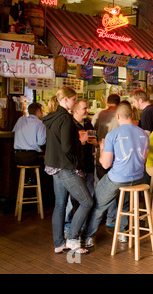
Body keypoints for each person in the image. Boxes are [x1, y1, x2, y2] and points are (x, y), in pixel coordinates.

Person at [83, 101, 149, 248]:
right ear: (131, 115)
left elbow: (105, 164)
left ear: (117, 116)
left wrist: (101, 148)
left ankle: (89, 236)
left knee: (98, 204)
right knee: (124, 203)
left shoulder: (112, 134)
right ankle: (123, 233)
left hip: (118, 178)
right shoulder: (143, 134)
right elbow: (143, 159)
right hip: (137, 178)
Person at [42, 86, 93, 255]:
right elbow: (67, 147)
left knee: (60, 204)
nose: (75, 102)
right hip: (65, 166)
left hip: (53, 165)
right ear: (65, 100)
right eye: (73, 99)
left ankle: (58, 243)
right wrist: (81, 140)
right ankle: (72, 239)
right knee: (87, 202)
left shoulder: (52, 117)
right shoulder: (65, 118)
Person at [64, 98, 96, 236]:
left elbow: (92, 141)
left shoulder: (88, 123)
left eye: (87, 108)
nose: (87, 111)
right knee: (71, 199)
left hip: (88, 165)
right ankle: (67, 228)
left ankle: (83, 227)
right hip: (75, 167)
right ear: (75, 110)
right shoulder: (70, 124)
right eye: (85, 108)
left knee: (89, 197)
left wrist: (95, 143)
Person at [92, 94, 121, 227]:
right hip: (116, 156)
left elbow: (91, 132)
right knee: (113, 187)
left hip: (101, 153)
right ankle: (111, 218)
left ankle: (99, 216)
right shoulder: (120, 117)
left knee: (100, 186)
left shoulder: (98, 115)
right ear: (118, 104)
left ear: (107, 102)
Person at [13, 102, 46, 167]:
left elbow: (14, 132)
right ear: (38, 111)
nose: (43, 113)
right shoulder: (40, 123)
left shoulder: (20, 119)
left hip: (17, 156)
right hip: (32, 157)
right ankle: (35, 177)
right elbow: (41, 142)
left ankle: (29, 177)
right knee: (47, 162)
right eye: (42, 111)